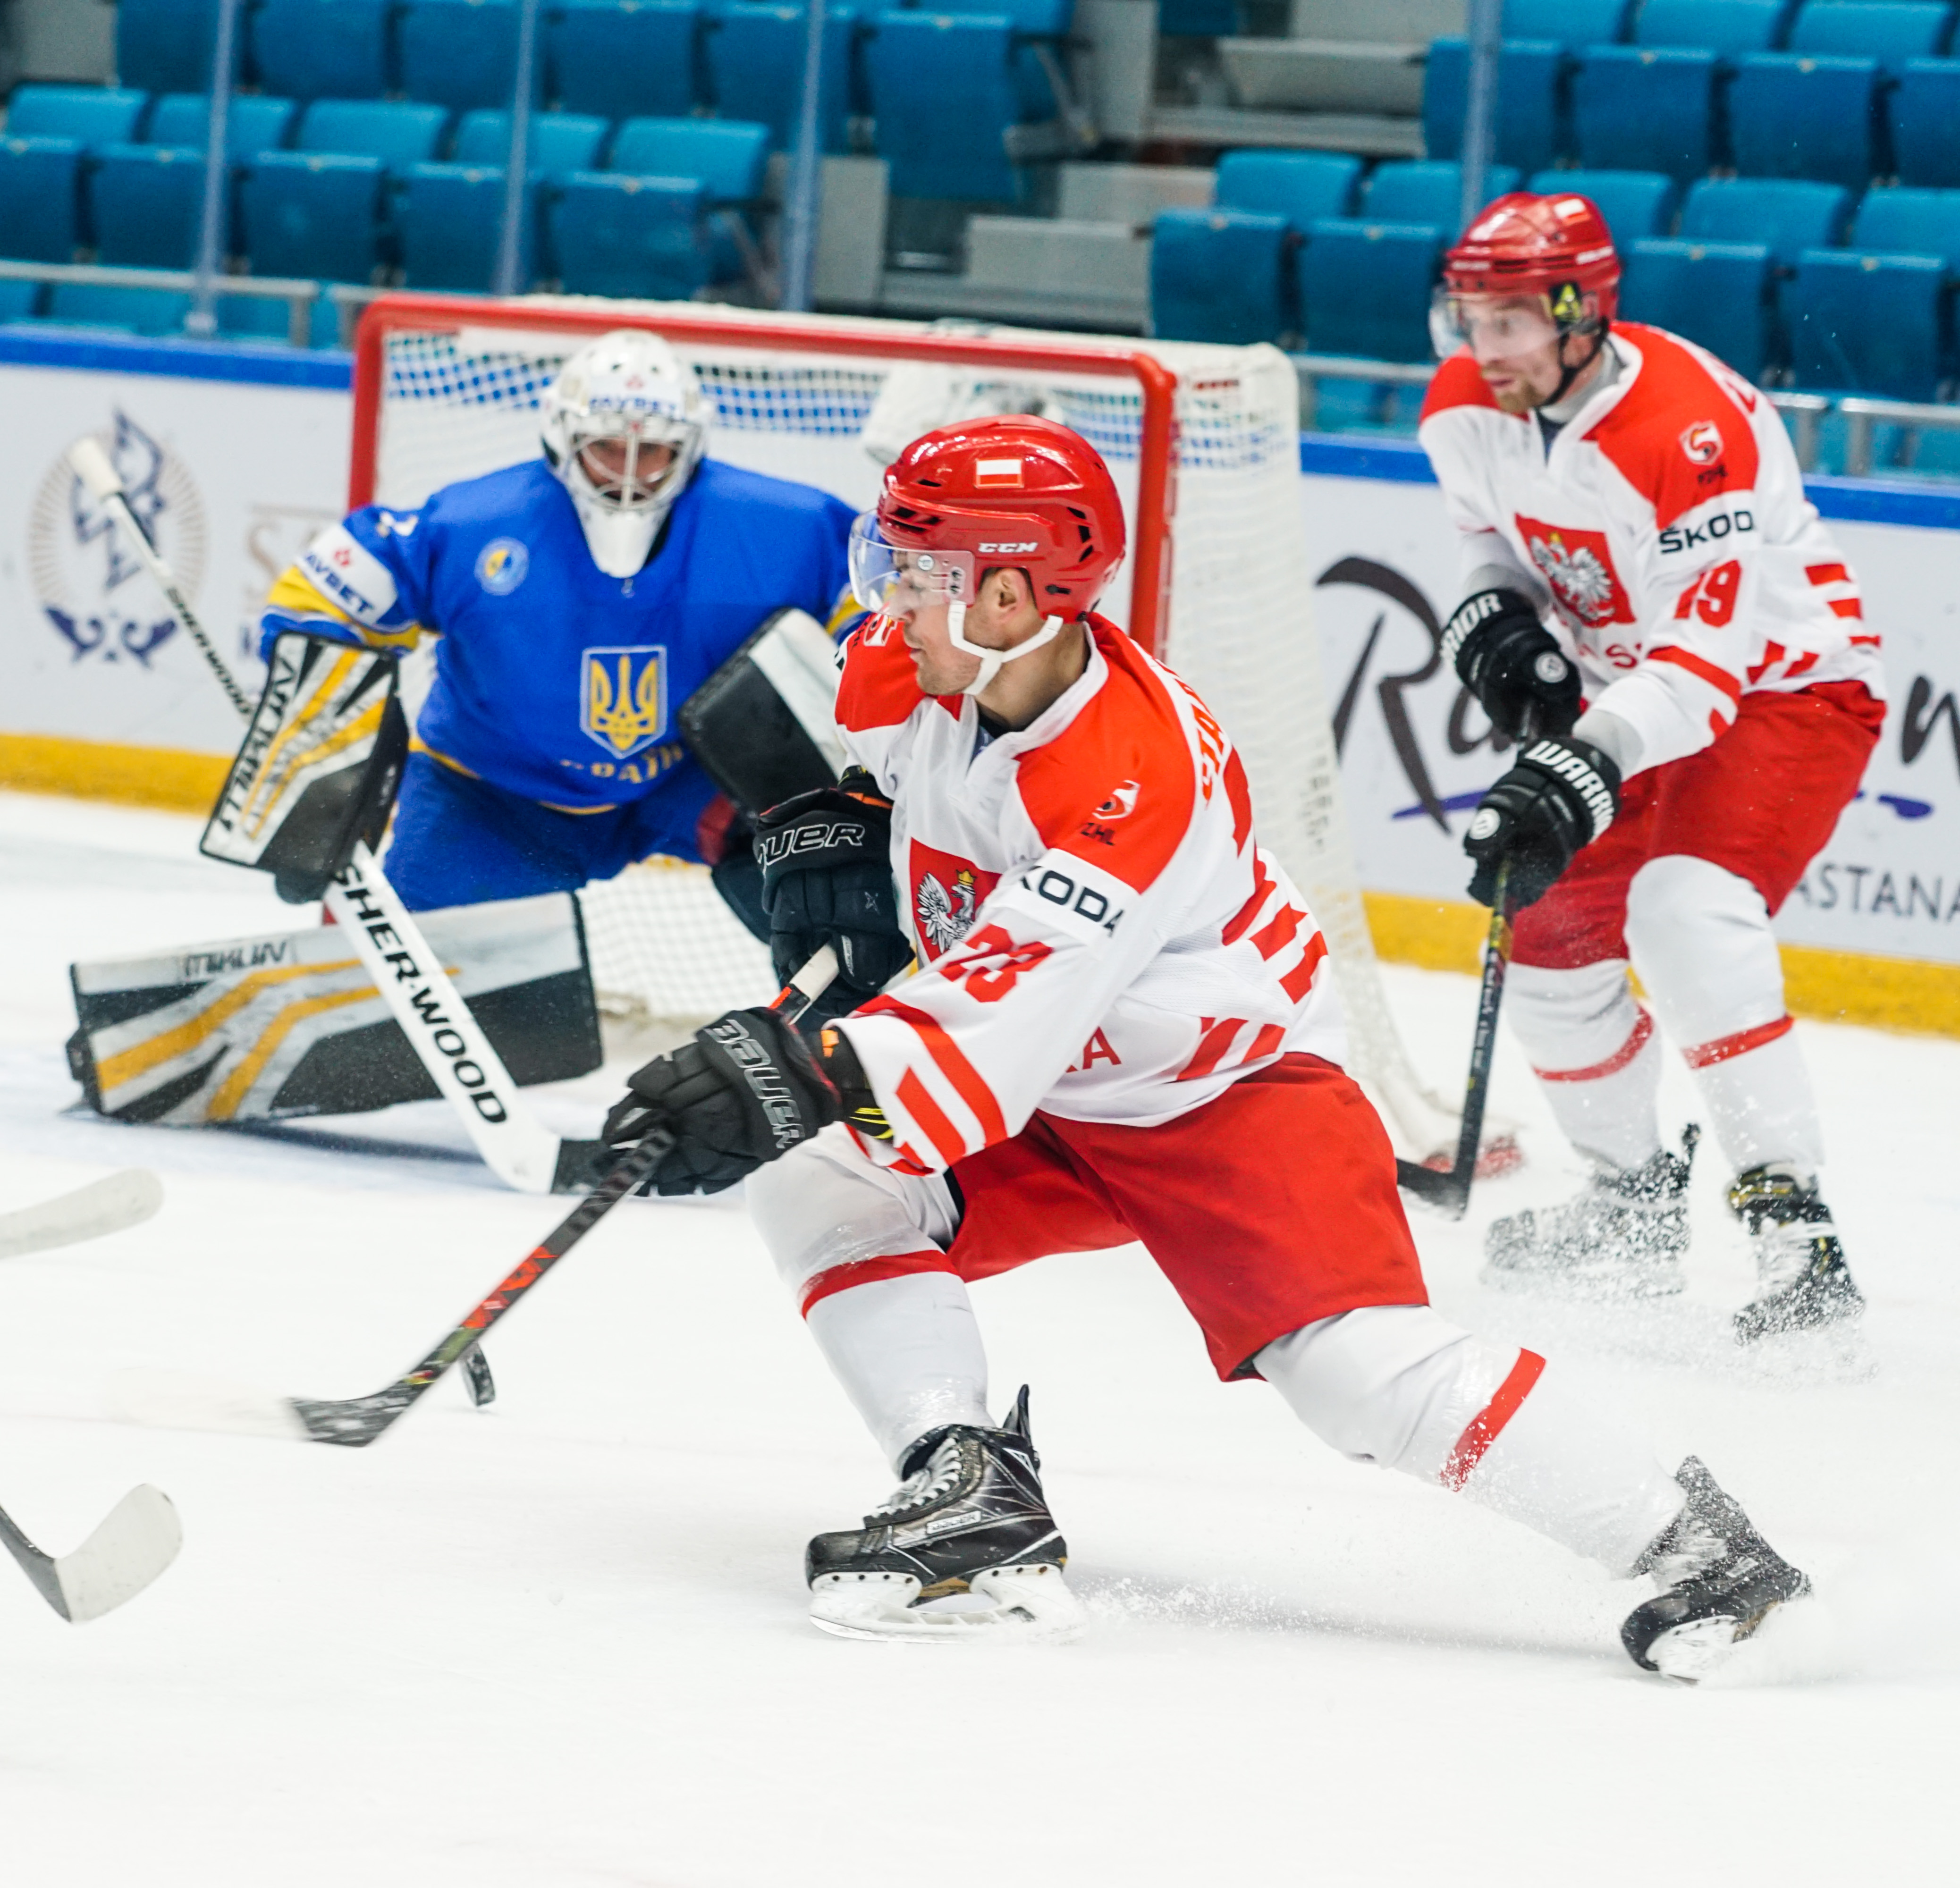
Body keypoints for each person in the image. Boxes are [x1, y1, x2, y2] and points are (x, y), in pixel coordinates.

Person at [598, 414, 1811, 1681]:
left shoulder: (1132, 781)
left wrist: (787, 1075)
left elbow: (997, 1021)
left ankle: (1704, 1550)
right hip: (1065, 1081)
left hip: (1225, 1092)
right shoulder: (924, 664)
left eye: (918, 570)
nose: (885, 599)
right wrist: (841, 828)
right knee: (819, 1176)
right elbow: (871, 772)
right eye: (890, 562)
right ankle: (968, 1486)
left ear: (1008, 598)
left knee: (1358, 1377)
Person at [1420, 192, 1883, 1341]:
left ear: (1582, 313)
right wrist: (1498, 614)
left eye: (1511, 322)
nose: (1484, 348)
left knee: (1685, 910)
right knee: (1541, 923)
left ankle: (1797, 1227)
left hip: (1785, 689)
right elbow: (1488, 536)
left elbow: (1706, 670)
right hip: (1629, 691)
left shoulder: (1689, 428)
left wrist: (1578, 760)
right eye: (1470, 319)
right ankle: (1630, 1202)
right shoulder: (1463, 404)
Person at [257, 328, 858, 924]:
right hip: (493, 797)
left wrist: (859, 720)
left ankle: (834, 977)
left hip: (697, 785)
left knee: (842, 905)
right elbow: (320, 595)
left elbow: (878, 590)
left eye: (652, 450)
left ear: (689, 448)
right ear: (562, 437)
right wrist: (326, 768)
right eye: (606, 446)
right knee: (454, 970)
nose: (628, 472)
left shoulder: (781, 527)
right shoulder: (477, 523)